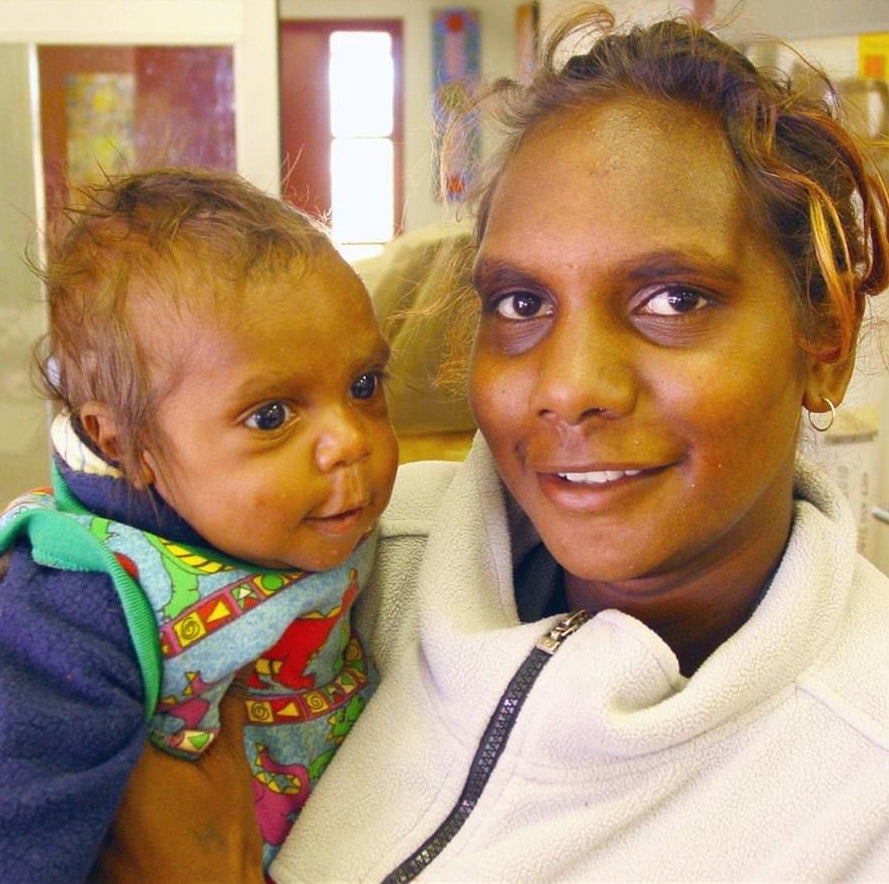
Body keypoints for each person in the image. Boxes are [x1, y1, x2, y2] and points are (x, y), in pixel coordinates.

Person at [101, 4, 889, 880]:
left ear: (826, 338)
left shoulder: (862, 780)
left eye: (673, 299)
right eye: (520, 304)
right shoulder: (324, 563)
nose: (567, 387)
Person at [0, 168, 398, 882]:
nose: (352, 441)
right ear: (125, 444)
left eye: (364, 386)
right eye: (271, 415)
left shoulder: (353, 531)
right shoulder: (87, 601)